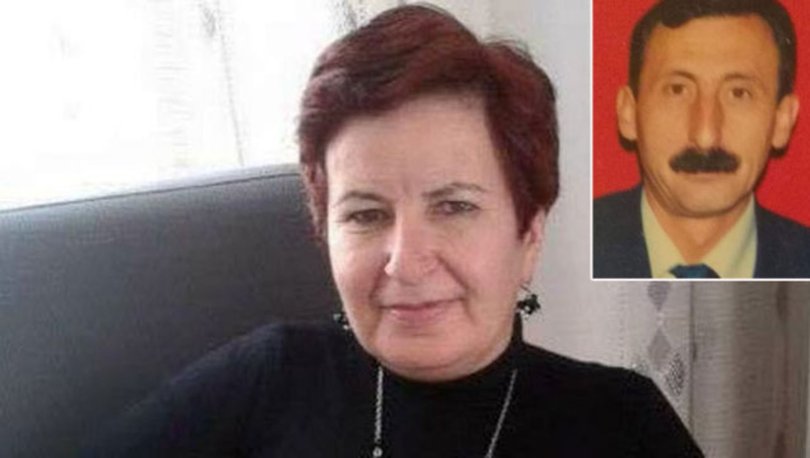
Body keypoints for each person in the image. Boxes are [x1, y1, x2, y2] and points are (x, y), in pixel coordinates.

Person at [86, 5, 702, 457]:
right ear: (324, 231)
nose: (405, 261)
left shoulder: (624, 425)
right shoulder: (269, 380)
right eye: (366, 214)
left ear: (529, 234)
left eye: (454, 206)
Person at [593, 0, 810, 279]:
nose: (705, 136)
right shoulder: (568, 252)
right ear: (629, 114)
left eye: (739, 93)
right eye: (677, 90)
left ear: (782, 121)